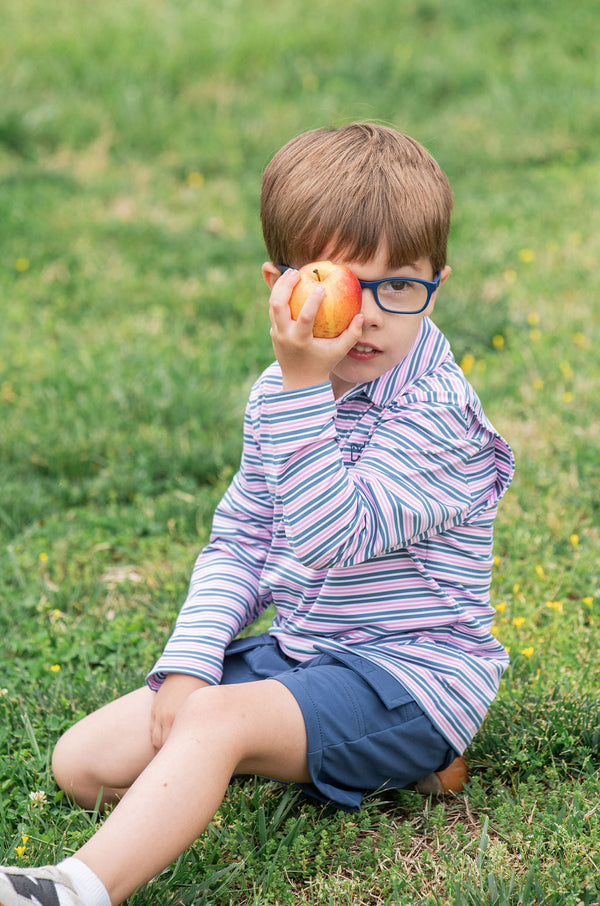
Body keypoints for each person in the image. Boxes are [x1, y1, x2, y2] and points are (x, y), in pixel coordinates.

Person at [0, 122, 514, 906]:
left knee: (212, 727)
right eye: (342, 282)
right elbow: (243, 538)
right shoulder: (279, 393)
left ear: (436, 282)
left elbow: (328, 535)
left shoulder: (438, 416)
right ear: (280, 284)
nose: (370, 314)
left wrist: (304, 389)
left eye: (400, 286)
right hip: (305, 651)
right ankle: (342, 756)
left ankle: (73, 891)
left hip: (410, 674)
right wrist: (191, 661)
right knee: (84, 763)